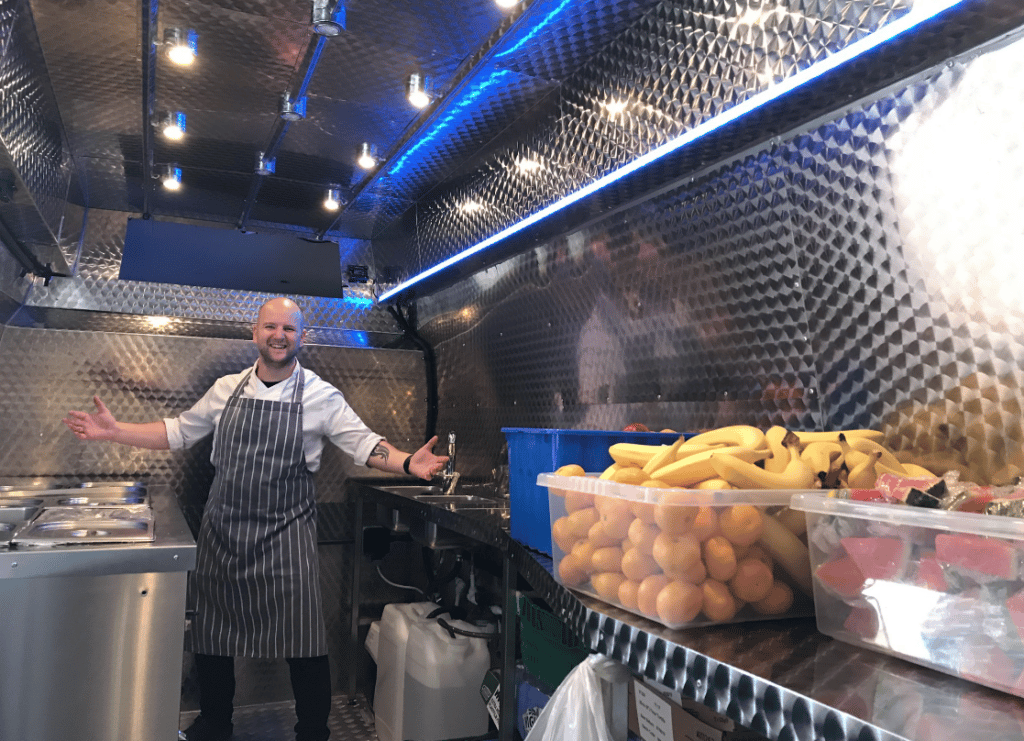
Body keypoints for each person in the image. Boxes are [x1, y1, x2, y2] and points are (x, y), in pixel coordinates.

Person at [63, 297, 449, 741]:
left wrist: (407, 463)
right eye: (270, 326)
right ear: (255, 334)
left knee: (304, 641)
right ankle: (216, 723)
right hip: (223, 533)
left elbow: (365, 445)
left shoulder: (321, 396)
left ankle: (312, 732)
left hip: (286, 538)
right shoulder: (226, 389)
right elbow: (178, 431)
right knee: (212, 636)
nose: (279, 335)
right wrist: (116, 431)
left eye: (288, 328)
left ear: (301, 336)